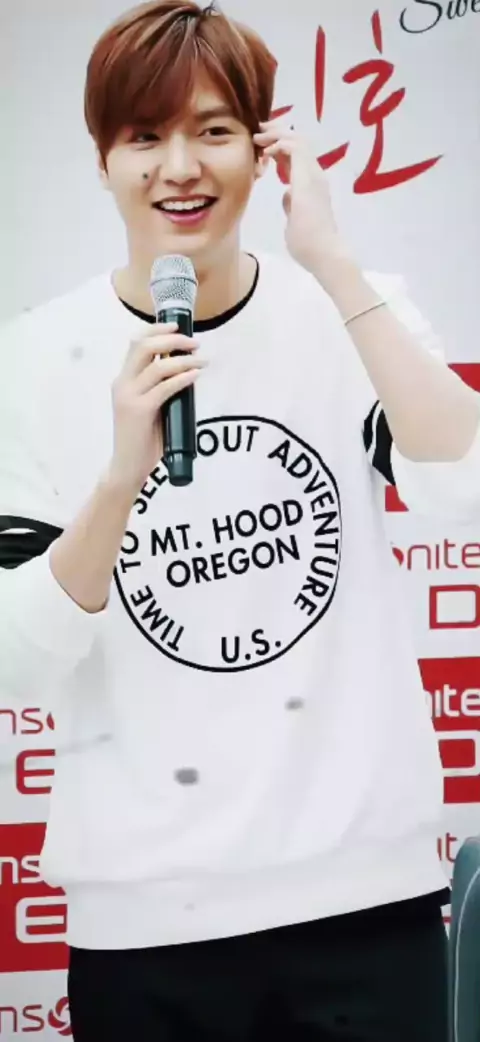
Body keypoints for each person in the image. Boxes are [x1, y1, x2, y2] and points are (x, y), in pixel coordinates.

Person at [1, 1, 479, 1039]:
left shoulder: (349, 309)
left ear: (265, 149)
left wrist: (336, 266)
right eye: (145, 136)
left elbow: (466, 484)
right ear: (102, 159)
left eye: (213, 130)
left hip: (365, 902)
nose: (180, 167)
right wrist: (120, 479)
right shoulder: (31, 359)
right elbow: (16, 663)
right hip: (144, 921)